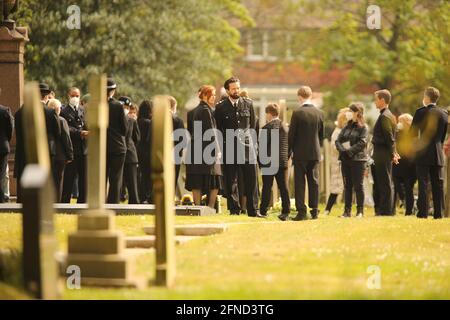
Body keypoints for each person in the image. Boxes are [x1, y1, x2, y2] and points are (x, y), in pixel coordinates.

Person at [214, 77, 261, 217]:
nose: (236, 91)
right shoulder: (220, 107)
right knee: (231, 180)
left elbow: (252, 126)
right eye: (233, 88)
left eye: (238, 88)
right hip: (229, 148)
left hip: (247, 148)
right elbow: (218, 129)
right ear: (228, 90)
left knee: (251, 180)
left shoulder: (248, 104)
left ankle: (253, 210)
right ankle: (234, 209)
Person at [14, 83, 61, 202]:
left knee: (26, 176)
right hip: (45, 151)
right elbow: (58, 132)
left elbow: (17, 134)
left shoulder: (19, 112)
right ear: (46, 97)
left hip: (24, 151)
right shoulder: (50, 112)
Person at [288, 86, 324, 220]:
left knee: (300, 183)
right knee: (314, 182)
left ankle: (301, 212)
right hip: (314, 152)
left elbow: (292, 136)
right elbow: (321, 135)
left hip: (300, 153)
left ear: (299, 97)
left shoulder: (297, 113)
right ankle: (314, 211)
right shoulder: (320, 113)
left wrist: (288, 153)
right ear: (311, 95)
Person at [412, 87, 447, 219]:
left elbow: (413, 135)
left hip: (423, 152)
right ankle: (439, 213)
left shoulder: (420, 112)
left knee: (423, 183)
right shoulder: (444, 114)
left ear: (426, 98)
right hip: (438, 152)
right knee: (438, 184)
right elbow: (442, 137)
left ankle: (423, 213)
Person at [186, 85, 223, 208]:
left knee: (197, 179)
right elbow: (211, 132)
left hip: (195, 148)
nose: (214, 97)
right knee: (215, 178)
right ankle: (211, 207)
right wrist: (218, 150)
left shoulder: (193, 111)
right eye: (212, 95)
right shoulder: (206, 110)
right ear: (205, 96)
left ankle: (197, 207)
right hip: (207, 148)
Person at [335, 103, 368, 218]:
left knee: (358, 186)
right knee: (347, 186)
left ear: (357, 112)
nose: (347, 113)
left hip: (358, 160)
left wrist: (349, 151)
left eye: (350, 111)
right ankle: (347, 211)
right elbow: (338, 141)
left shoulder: (363, 127)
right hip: (345, 160)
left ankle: (360, 211)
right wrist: (343, 151)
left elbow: (362, 143)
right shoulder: (346, 126)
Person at [259, 103, 290, 220]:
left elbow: (261, 148)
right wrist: (286, 157)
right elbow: (289, 145)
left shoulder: (266, 128)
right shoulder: (285, 127)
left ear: (269, 114)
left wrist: (261, 163)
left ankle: (263, 211)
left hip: (269, 161)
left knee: (267, 187)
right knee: (284, 187)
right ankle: (285, 212)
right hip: (282, 161)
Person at [371, 89, 398, 216]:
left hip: (382, 154)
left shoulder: (385, 116)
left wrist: (393, 153)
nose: (375, 101)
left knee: (384, 183)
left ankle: (386, 211)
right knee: (382, 182)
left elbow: (389, 137)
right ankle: (383, 210)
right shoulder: (388, 115)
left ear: (382, 100)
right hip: (381, 153)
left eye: (376, 99)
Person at [60, 87, 88, 203]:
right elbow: (66, 128)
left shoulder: (83, 110)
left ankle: (82, 202)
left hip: (83, 150)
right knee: (69, 178)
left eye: (77, 96)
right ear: (68, 96)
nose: (75, 98)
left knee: (84, 179)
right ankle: (65, 202)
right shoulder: (64, 111)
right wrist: (79, 132)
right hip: (72, 149)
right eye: (73, 96)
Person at [324, 108, 351, 215]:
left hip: (348, 161)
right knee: (336, 186)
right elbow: (335, 146)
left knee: (348, 187)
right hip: (339, 162)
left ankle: (348, 209)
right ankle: (327, 209)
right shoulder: (337, 132)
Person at [106, 79, 128, 204]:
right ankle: (113, 203)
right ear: (113, 91)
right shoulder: (117, 106)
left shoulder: (95, 105)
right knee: (116, 178)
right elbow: (124, 128)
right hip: (117, 146)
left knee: (102, 176)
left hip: (102, 146)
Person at [48, 99, 73, 202]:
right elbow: (66, 138)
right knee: (58, 182)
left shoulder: (44, 120)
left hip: (48, 154)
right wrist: (70, 155)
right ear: (58, 109)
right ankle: (57, 203)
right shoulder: (61, 120)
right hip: (60, 155)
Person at [393, 113, 416, 216]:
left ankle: (409, 211)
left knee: (408, 188)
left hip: (410, 165)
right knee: (397, 184)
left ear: (406, 123)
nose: (399, 123)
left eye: (400, 121)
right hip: (398, 163)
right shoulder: (397, 133)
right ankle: (403, 199)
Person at [119, 96, 141, 204]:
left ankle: (134, 202)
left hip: (130, 154)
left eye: (127, 107)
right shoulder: (117, 119)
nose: (126, 109)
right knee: (118, 181)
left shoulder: (132, 120)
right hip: (119, 153)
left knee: (132, 182)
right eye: (124, 107)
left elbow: (137, 138)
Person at [137, 100, 153, 203]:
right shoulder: (149, 123)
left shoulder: (138, 121)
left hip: (139, 151)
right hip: (148, 152)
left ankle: (141, 195)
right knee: (148, 176)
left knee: (141, 175)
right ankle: (147, 196)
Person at [168, 96, 185, 190]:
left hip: (160, 153)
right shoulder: (178, 120)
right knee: (172, 179)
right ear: (174, 106)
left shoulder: (156, 119)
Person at [0, 92, 13, 203]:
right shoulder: (5, 110)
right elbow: (10, 129)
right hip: (2, 146)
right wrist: (6, 140)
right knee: (2, 172)